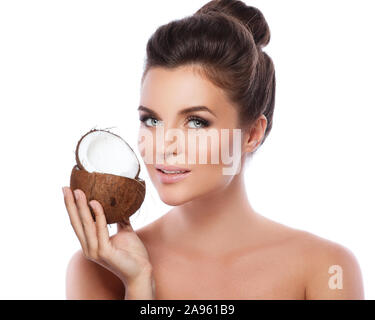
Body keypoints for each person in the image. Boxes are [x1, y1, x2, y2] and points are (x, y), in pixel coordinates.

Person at [63, 0, 364, 300]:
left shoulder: (327, 269)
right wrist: (139, 284)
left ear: (252, 134)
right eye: (151, 120)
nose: (163, 145)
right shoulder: (100, 268)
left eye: (196, 122)